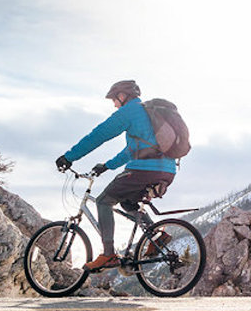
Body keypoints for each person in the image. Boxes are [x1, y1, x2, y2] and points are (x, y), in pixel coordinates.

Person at [54, 80, 177, 271]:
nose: (114, 104)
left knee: (103, 201)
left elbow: (99, 135)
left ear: (122, 96)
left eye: (114, 99)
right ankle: (155, 236)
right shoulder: (147, 113)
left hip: (145, 169)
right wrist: (107, 166)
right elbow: (133, 150)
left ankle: (109, 254)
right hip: (167, 169)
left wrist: (69, 157)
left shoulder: (129, 111)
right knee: (127, 202)